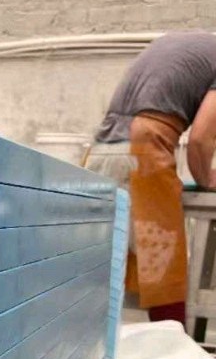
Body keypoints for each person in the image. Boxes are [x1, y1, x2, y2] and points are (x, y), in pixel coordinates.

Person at [91, 31, 216, 325]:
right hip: (144, 149)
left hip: (100, 149)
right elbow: (201, 139)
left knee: (99, 266)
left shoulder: (190, 45)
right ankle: (171, 347)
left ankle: (90, 345)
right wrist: (208, 179)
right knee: (163, 266)